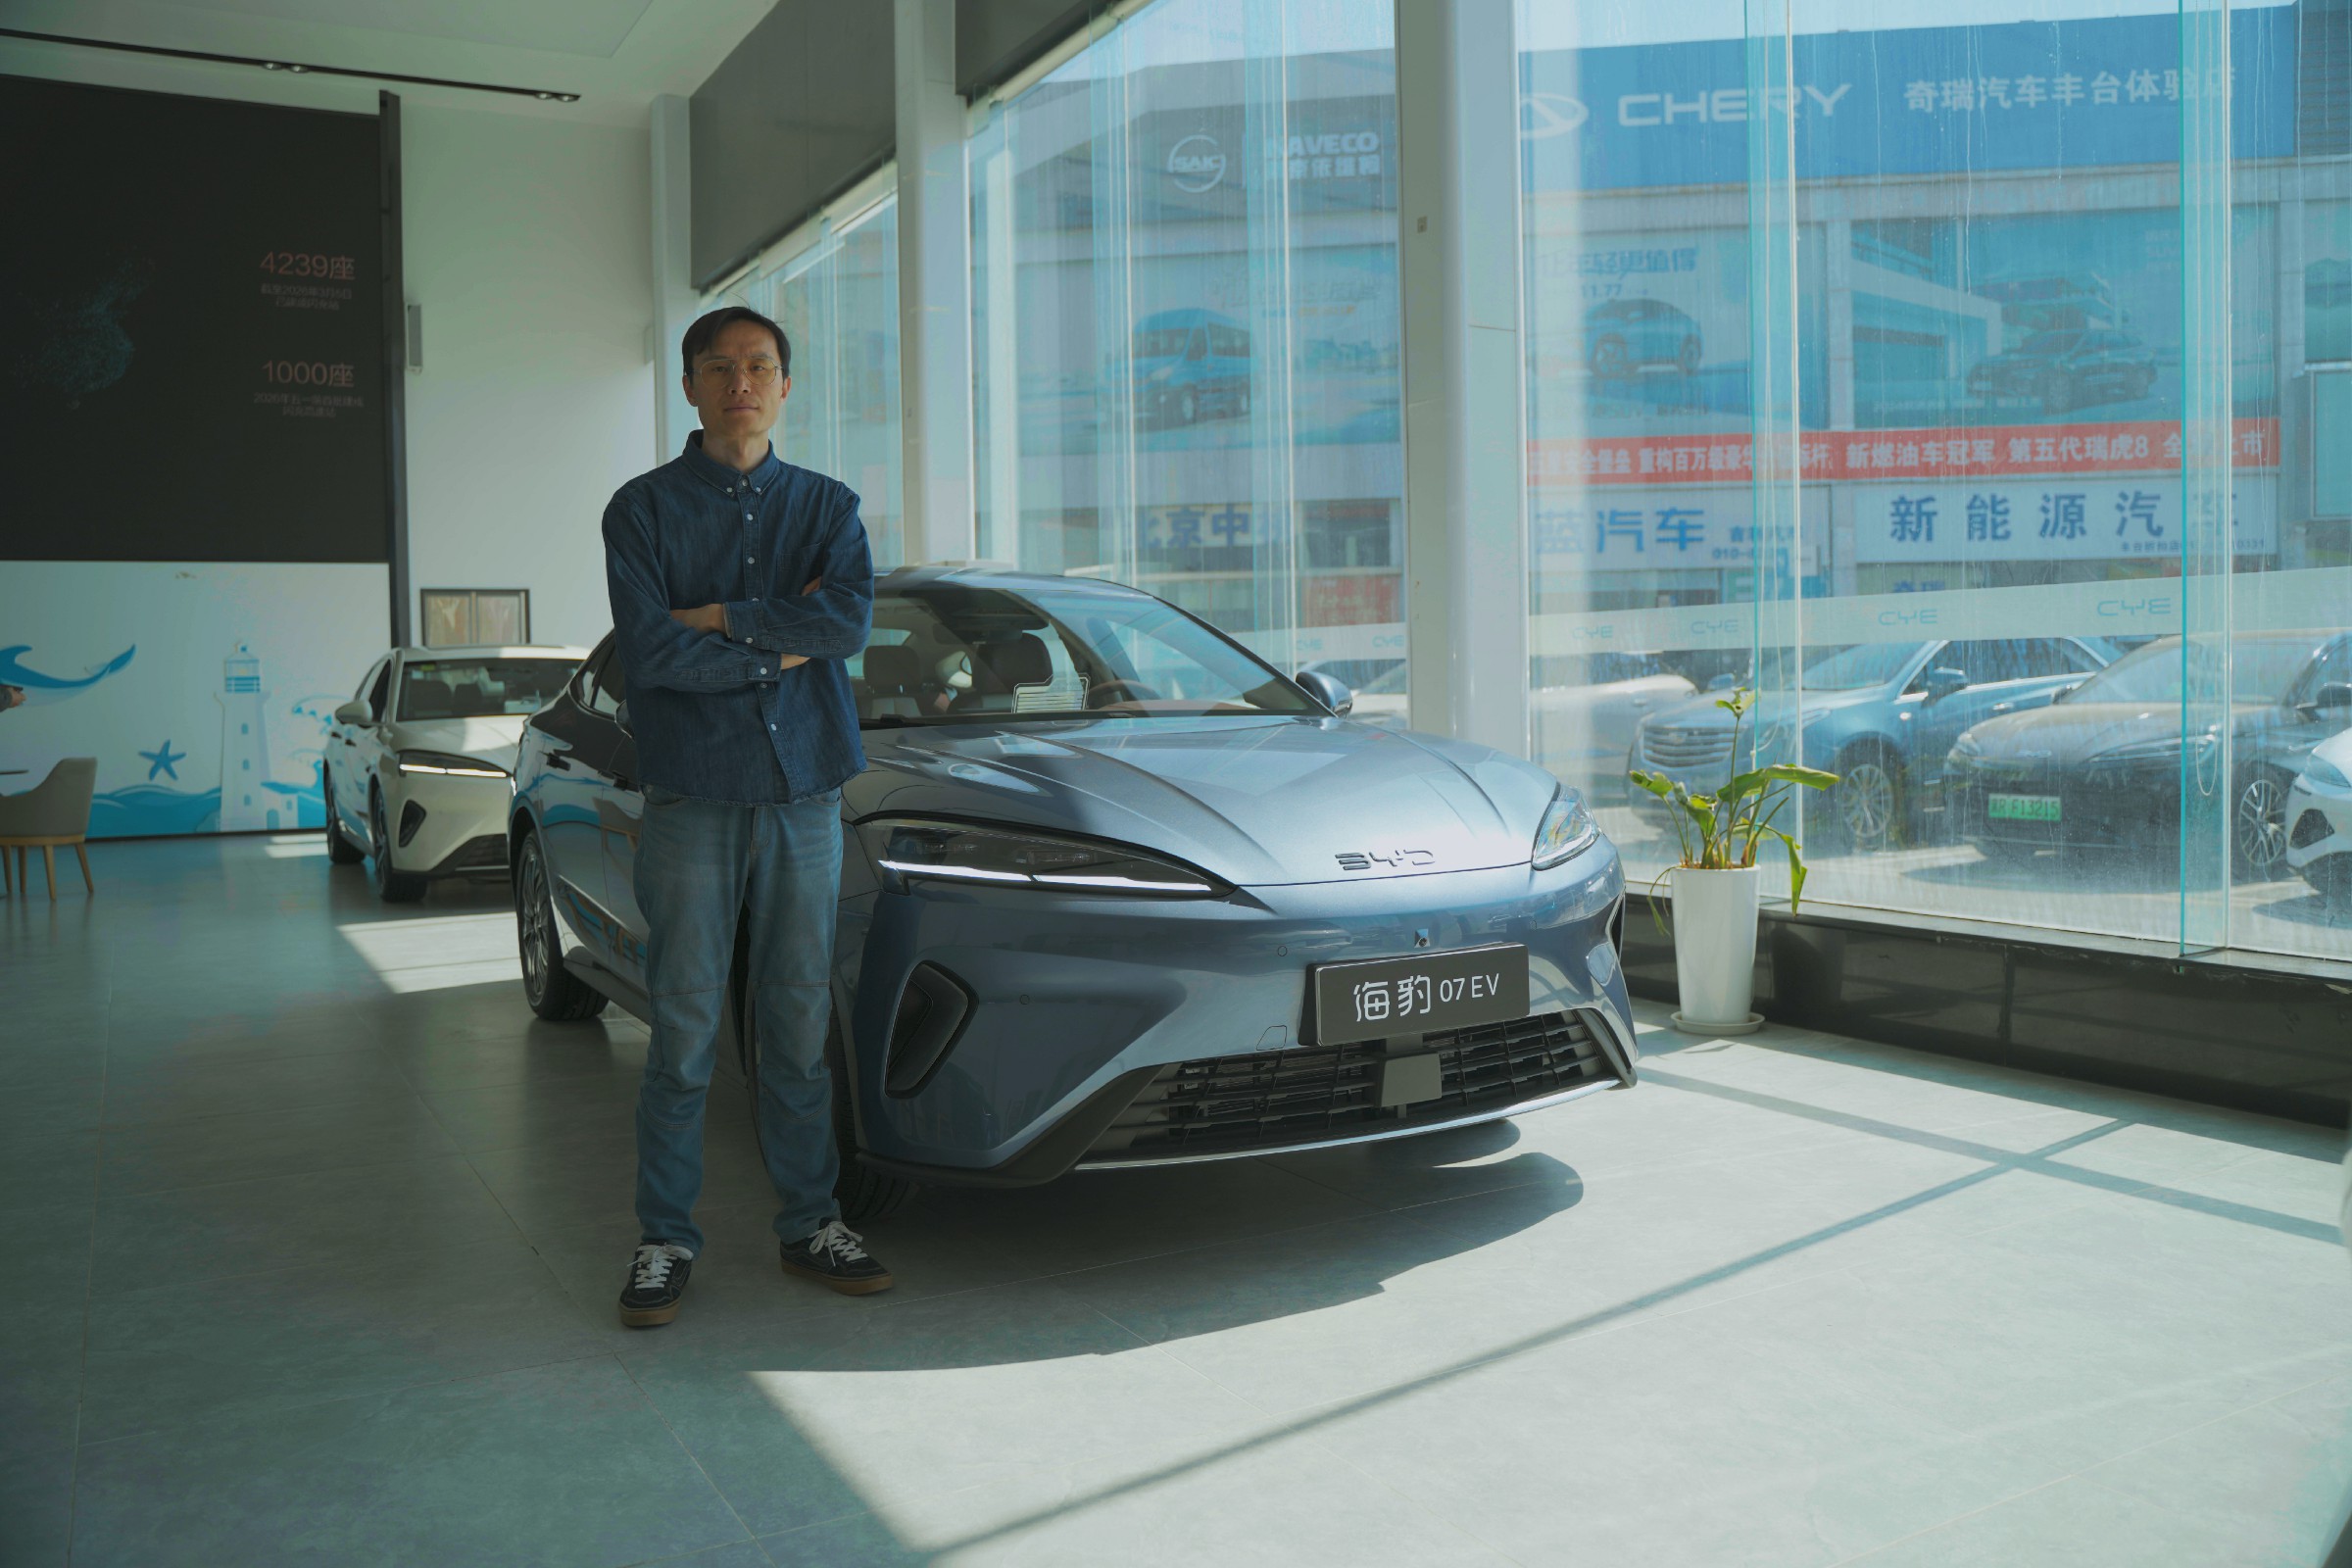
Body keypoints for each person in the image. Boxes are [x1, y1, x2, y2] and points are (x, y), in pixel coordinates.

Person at [602, 305, 890, 1328]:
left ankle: (811, 1222)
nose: (741, 383)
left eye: (760, 366)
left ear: (786, 385)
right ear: (688, 385)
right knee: (683, 1028)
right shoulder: (641, 512)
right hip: (694, 795)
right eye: (720, 367)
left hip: (805, 793)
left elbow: (848, 622)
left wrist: (723, 617)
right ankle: (664, 1238)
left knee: (798, 1025)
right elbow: (651, 654)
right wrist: (785, 644)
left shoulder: (828, 507)